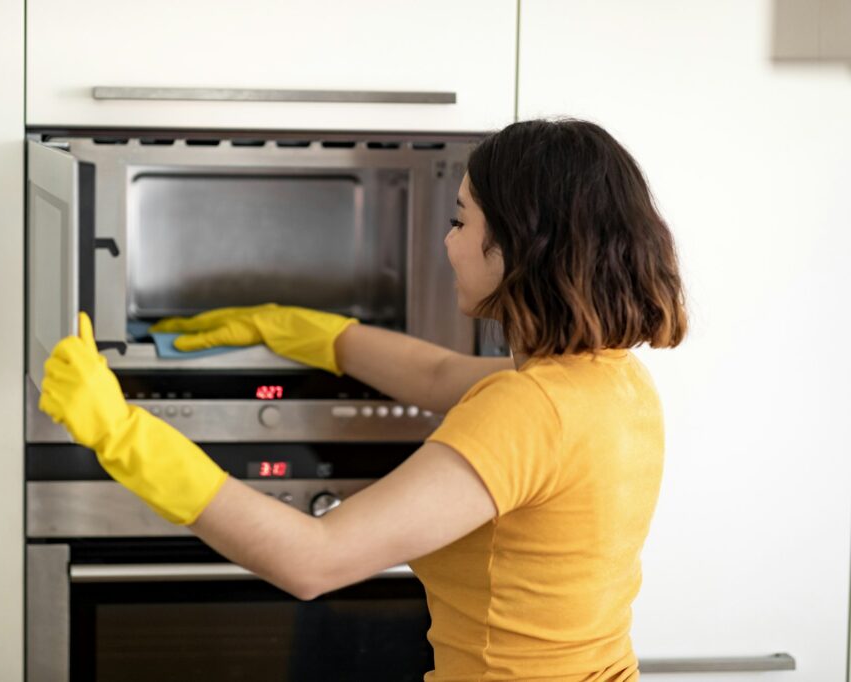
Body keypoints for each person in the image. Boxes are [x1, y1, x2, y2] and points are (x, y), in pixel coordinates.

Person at [39, 118, 687, 681]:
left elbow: (312, 560)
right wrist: (296, 329)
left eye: (462, 219)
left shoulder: (529, 411)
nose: (448, 241)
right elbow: (437, 375)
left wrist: (121, 435)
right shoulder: (611, 380)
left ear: (520, 247)